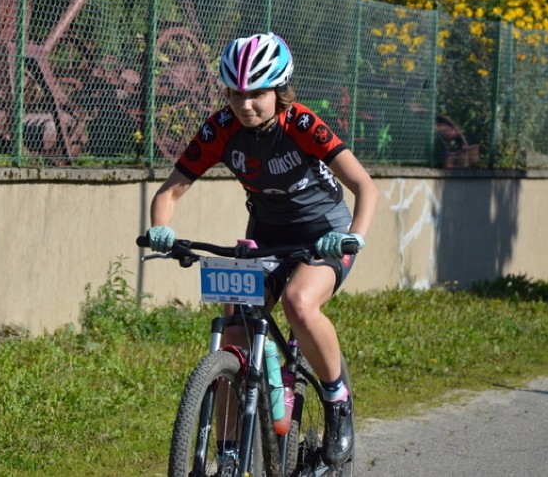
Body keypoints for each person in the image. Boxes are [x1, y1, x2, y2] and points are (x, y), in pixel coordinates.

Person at [146, 32, 379, 467]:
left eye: (257, 93)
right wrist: (161, 229)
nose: (245, 103)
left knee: (298, 302)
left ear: (279, 91)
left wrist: (354, 236)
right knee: (235, 322)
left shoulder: (302, 124)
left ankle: (338, 401)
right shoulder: (221, 128)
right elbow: (170, 192)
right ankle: (230, 454)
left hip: (325, 233)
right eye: (236, 92)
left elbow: (364, 186)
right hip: (268, 236)